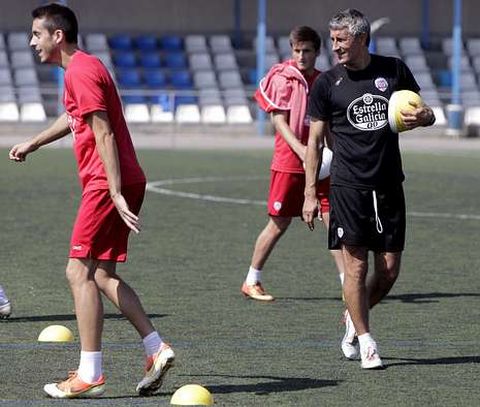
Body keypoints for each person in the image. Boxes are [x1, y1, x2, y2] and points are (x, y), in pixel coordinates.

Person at [9, 3, 174, 398]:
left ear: (57, 36)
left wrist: (113, 191)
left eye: (36, 34)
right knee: (101, 274)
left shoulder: (80, 72)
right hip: (120, 179)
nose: (32, 42)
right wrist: (34, 142)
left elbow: (104, 134)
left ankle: (90, 374)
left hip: (106, 181)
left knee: (77, 272)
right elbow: (74, 118)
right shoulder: (84, 68)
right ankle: (156, 348)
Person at [303, 9, 435, 369]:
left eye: (341, 40)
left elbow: (427, 113)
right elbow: (314, 143)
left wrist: (424, 117)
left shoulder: (394, 71)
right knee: (356, 269)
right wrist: (311, 193)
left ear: (361, 39)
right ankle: (366, 340)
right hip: (348, 187)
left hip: (389, 184)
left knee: (389, 271)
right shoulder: (326, 83)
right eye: (332, 40)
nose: (334, 47)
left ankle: (352, 317)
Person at [241, 26, 345, 302]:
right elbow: (278, 121)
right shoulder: (282, 77)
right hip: (289, 162)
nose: (301, 56)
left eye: (307, 51)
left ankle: (348, 283)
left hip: (321, 163)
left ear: (317, 52)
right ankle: (252, 280)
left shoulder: (325, 81)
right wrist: (301, 150)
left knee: (332, 220)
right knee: (279, 222)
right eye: (297, 50)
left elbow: (330, 126)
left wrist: (336, 153)